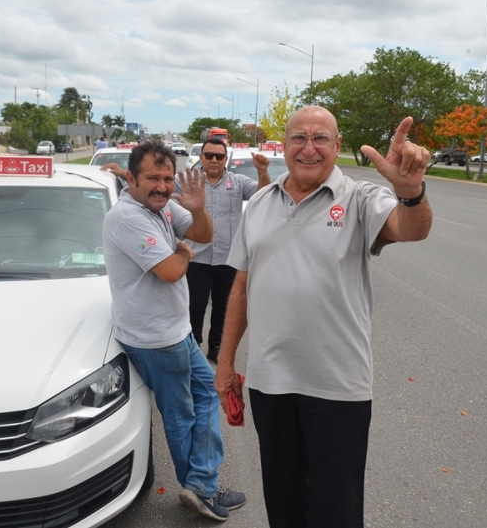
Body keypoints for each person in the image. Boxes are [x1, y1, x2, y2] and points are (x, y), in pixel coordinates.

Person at [214, 106, 433, 528]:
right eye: (299, 137)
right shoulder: (259, 203)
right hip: (269, 383)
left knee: (336, 509)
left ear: (335, 146)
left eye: (320, 139)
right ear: (284, 144)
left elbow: (411, 227)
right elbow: (241, 286)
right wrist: (225, 364)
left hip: (337, 388)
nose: (309, 148)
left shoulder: (360, 198)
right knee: (283, 503)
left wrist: (411, 192)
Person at [102, 140, 246, 521]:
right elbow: (169, 271)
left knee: (209, 394)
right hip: (155, 341)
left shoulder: (162, 208)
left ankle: (202, 482)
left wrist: (198, 210)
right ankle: (201, 487)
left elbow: (204, 235)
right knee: (181, 413)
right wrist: (181, 253)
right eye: (153, 178)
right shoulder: (127, 217)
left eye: (167, 178)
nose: (162, 186)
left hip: (176, 331)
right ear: (131, 178)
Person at [181, 138, 272, 362]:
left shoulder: (238, 182)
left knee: (223, 307)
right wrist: (125, 175)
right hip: (197, 257)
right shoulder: (190, 181)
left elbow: (263, 193)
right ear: (201, 157)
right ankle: (193, 349)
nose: (214, 160)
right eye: (209, 155)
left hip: (228, 258)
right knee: (195, 307)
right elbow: (158, 187)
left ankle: (217, 347)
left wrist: (262, 172)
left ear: (225, 159)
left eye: (219, 156)